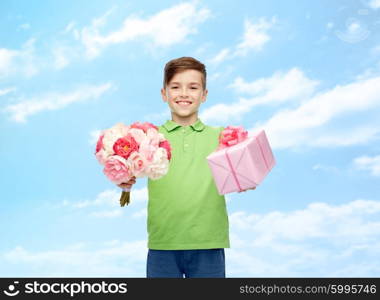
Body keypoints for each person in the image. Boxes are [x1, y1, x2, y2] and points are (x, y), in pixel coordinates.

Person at [118, 56, 254, 278]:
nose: (183, 94)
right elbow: (129, 173)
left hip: (208, 243)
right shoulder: (149, 137)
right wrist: (125, 183)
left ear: (204, 94)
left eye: (193, 87)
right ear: (164, 94)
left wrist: (246, 179)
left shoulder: (221, 137)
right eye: (175, 87)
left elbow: (242, 172)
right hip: (163, 244)